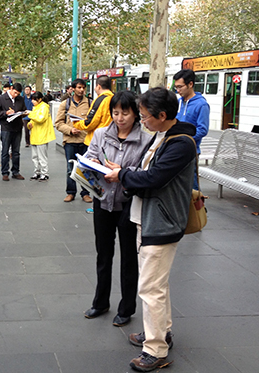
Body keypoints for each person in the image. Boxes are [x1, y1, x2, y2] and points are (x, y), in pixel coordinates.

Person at [104, 87, 196, 372]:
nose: (140, 121)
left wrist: (123, 174)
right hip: (147, 217)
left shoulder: (181, 143)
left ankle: (155, 350)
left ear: (163, 115)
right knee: (156, 283)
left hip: (162, 221)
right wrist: (126, 172)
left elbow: (154, 177)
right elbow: (145, 172)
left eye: (144, 116)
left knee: (150, 287)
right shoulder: (162, 136)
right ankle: (160, 331)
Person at [82, 91, 151, 327]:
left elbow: (145, 173)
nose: (120, 118)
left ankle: (126, 308)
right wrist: (96, 167)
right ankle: (100, 302)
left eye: (125, 113)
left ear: (135, 114)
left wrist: (123, 172)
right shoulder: (101, 134)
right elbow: (90, 158)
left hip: (128, 204)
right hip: (102, 201)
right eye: (115, 112)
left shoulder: (145, 140)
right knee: (103, 254)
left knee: (129, 258)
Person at [54, 78, 92, 203]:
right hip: (70, 141)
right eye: (79, 87)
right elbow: (58, 123)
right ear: (73, 88)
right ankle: (70, 192)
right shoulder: (65, 104)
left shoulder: (90, 103)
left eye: (83, 88)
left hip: (85, 141)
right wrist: (70, 130)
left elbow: (93, 122)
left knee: (84, 168)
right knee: (70, 168)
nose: (81, 90)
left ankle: (85, 193)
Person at [174, 69, 210, 189]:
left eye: (180, 87)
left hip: (190, 149)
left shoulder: (201, 105)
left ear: (190, 84)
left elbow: (202, 129)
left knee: (191, 184)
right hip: (175, 147)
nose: (178, 91)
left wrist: (186, 139)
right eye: (176, 88)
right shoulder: (179, 102)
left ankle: (196, 207)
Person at [0, 82, 27, 181]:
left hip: (17, 127)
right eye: (15, 92)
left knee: (16, 152)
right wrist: (5, 113)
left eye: (18, 94)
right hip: (6, 127)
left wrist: (23, 113)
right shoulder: (1, 98)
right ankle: (5, 172)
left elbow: (24, 109)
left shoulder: (20, 99)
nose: (16, 95)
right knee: (5, 151)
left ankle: (16, 171)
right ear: (11, 89)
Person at [73, 75, 114, 146]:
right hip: (111, 139)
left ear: (99, 86)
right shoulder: (115, 98)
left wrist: (76, 124)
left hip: (96, 141)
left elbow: (90, 123)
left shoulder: (100, 100)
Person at [27, 92, 55, 181]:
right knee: (35, 156)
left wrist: (30, 114)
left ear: (40, 99)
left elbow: (40, 119)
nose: (33, 101)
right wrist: (29, 124)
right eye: (32, 99)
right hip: (35, 134)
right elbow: (32, 120)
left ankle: (44, 173)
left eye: (35, 99)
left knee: (42, 156)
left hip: (42, 135)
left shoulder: (44, 107)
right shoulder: (36, 108)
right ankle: (37, 172)